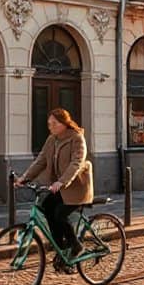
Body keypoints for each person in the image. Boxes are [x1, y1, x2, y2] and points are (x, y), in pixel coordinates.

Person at [15, 108, 94, 273]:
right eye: (49, 124)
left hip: (76, 189)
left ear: (64, 123)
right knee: (46, 208)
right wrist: (25, 178)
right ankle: (61, 249)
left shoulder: (77, 138)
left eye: (54, 123)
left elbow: (76, 163)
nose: (50, 127)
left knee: (59, 213)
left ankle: (76, 246)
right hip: (57, 187)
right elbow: (41, 160)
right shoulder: (52, 139)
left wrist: (62, 181)